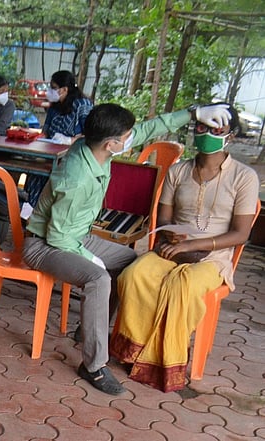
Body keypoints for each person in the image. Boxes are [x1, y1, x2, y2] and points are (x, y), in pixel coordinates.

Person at [21, 102, 234, 395]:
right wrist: (92, 259)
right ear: (112, 143)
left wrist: (193, 113)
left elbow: (149, 129)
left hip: (76, 235)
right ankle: (94, 366)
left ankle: (90, 329)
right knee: (99, 277)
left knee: (133, 262)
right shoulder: (76, 179)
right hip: (44, 245)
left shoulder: (95, 146)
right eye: (127, 135)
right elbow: (58, 238)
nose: (132, 138)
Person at [110, 104, 258, 392]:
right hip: (174, 247)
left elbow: (241, 233)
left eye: (216, 130)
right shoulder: (178, 171)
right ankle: (133, 351)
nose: (206, 135)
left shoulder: (244, 177)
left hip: (213, 257)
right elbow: (164, 218)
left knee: (182, 285)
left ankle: (165, 361)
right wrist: (172, 237)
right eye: (202, 128)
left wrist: (196, 244)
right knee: (134, 275)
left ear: (232, 136)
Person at [23, 70, 95, 205]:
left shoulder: (82, 105)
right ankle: (30, 214)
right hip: (48, 156)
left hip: (73, 157)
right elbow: (46, 131)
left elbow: (90, 134)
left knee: (56, 188)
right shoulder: (54, 107)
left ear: (65, 89)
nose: (50, 91)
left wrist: (70, 141)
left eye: (54, 88)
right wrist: (36, 138)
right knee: (35, 175)